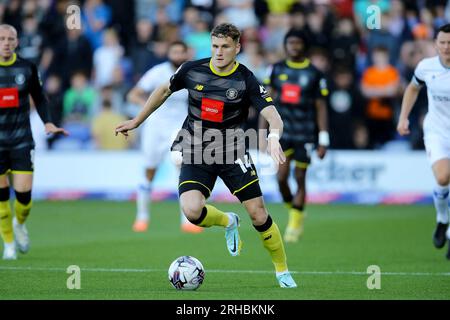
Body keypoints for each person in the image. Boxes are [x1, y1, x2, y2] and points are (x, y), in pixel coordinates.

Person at [116, 23, 297, 288]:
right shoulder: (192, 70)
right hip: (195, 147)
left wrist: (272, 138)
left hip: (233, 150)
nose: (219, 52)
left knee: (258, 214)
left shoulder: (246, 78)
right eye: (215, 46)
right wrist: (137, 120)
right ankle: (228, 221)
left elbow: (273, 115)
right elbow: (162, 91)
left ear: (237, 47)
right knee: (191, 210)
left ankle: (282, 270)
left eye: (225, 47)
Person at [0, 24, 68, 260]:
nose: (6, 43)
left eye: (10, 39)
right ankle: (8, 243)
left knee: (24, 199)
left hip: (21, 140)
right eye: (1, 39)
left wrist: (48, 122)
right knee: (1, 199)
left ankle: (20, 224)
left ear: (17, 42)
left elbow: (39, 98)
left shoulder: (27, 67)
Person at [260, 29, 329, 243]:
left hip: (306, 133)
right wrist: (262, 132)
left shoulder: (315, 73)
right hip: (282, 131)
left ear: (304, 46)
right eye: (290, 43)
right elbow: (265, 100)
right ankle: (295, 209)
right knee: (281, 178)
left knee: (300, 177)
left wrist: (323, 138)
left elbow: (321, 107)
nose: (293, 46)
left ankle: (295, 222)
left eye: (298, 43)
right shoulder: (276, 69)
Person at [126, 41, 202, 233]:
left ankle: (187, 221)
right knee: (149, 172)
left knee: (182, 169)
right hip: (155, 127)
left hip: (179, 127)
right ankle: (142, 217)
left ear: (186, 54)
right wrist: (149, 105)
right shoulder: (158, 72)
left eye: (180, 52)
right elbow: (133, 94)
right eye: (174, 51)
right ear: (169, 53)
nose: (177, 55)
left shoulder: (193, 74)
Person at [397, 23, 450, 260]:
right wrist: (403, 118)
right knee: (442, 177)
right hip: (437, 131)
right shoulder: (426, 67)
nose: (447, 47)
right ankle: (442, 219)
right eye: (442, 43)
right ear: (436, 44)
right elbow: (412, 88)